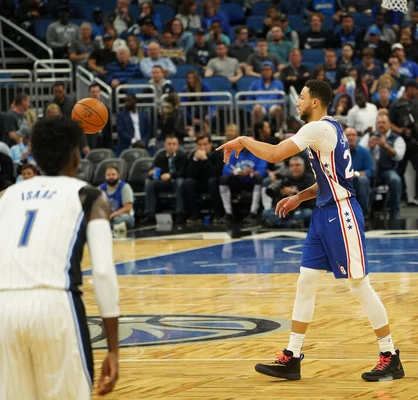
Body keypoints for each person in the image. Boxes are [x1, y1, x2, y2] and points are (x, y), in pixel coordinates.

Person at [217, 79, 404, 382]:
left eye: (301, 98)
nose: (298, 103)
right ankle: (292, 356)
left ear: (315, 102)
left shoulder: (316, 128)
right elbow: (329, 180)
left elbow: (276, 154)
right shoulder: (330, 128)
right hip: (323, 213)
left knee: (359, 285)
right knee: (306, 281)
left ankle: (390, 355)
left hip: (341, 213)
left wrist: (243, 140)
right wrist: (300, 197)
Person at [0, 117, 119, 398]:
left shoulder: (6, 196)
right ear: (74, 155)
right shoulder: (89, 197)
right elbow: (102, 272)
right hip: (55, 304)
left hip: (3, 308)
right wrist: (113, 349)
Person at [144, 134, 187, 223]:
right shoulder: (160, 156)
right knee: (150, 183)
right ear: (165, 145)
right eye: (169, 144)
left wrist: (171, 175)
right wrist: (152, 174)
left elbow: (184, 172)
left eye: (174, 144)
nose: (171, 146)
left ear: (178, 145)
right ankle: (150, 213)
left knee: (180, 182)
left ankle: (180, 213)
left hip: (176, 180)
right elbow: (155, 171)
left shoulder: (182, 156)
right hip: (163, 181)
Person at [98, 164, 135, 231]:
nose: (111, 177)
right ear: (105, 176)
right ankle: (113, 227)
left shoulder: (125, 187)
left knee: (117, 220)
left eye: (113, 175)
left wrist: (113, 214)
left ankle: (105, 226)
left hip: (123, 215)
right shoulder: (100, 188)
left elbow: (127, 208)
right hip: (107, 216)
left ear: (118, 175)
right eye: (108, 175)